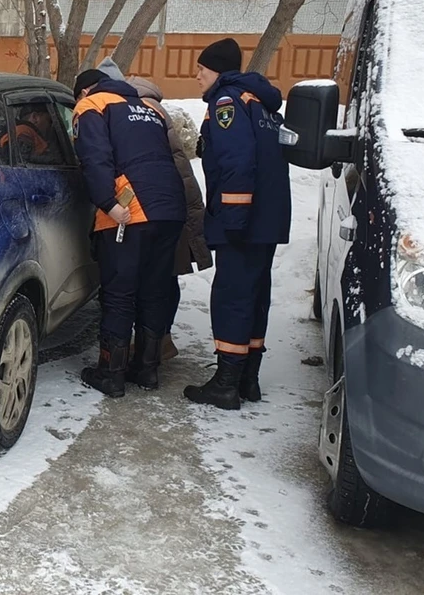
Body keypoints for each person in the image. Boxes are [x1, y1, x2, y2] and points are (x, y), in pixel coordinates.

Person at [181, 38, 291, 411]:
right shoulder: (259, 103)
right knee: (255, 295)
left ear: (219, 72)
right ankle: (248, 379)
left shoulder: (227, 102)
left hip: (243, 221)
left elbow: (236, 162)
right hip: (267, 220)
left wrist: (234, 217)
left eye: (201, 70)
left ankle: (226, 385)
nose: (196, 76)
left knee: (231, 297)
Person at [72, 67, 187, 397]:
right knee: (154, 289)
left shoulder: (91, 106)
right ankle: (147, 370)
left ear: (83, 91)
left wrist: (108, 203)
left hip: (130, 211)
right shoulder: (149, 108)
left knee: (119, 293)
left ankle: (111, 374)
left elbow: (95, 158)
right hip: (170, 208)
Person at [96, 58, 213, 362]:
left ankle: (155, 344)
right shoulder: (151, 108)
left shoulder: (128, 110)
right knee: (162, 278)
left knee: (146, 281)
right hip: (174, 202)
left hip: (151, 204)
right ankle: (156, 346)